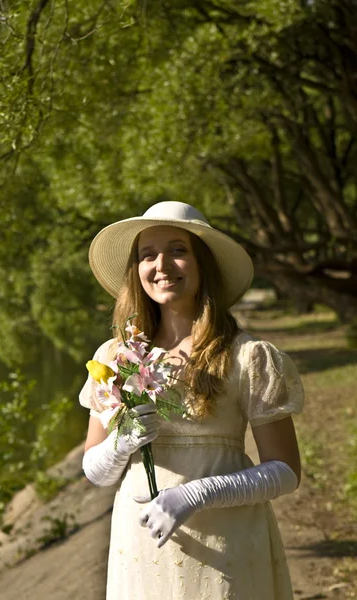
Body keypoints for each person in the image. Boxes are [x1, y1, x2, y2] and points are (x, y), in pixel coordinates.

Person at [79, 201, 304, 600]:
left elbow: (285, 471)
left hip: (227, 546)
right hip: (141, 543)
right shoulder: (114, 356)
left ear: (203, 265)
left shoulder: (248, 356)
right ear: (137, 271)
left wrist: (198, 494)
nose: (161, 265)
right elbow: (95, 471)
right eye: (148, 255)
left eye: (177, 250)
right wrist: (122, 443)